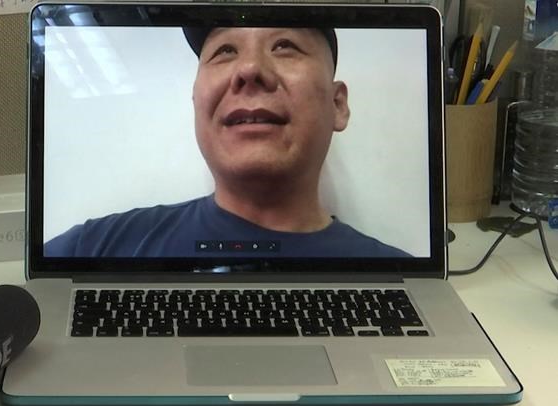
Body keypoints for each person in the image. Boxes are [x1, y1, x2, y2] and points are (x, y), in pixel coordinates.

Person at [45, 27, 410, 258]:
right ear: (196, 102)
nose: (249, 69)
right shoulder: (91, 249)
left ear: (337, 105)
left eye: (285, 46)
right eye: (225, 51)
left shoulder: (401, 281)